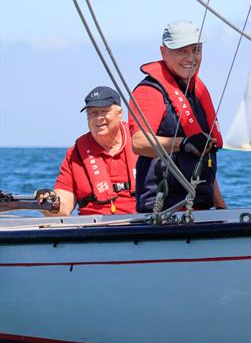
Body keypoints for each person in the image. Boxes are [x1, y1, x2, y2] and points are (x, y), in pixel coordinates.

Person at [129, 21, 227, 212]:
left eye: (196, 50)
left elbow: (203, 153)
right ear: (163, 51)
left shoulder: (196, 92)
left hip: (199, 208)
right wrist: (183, 143)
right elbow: (139, 143)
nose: (191, 58)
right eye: (182, 51)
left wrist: (221, 205)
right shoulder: (150, 91)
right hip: (162, 210)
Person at [39, 86, 137, 216]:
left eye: (104, 111)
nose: (98, 118)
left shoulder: (142, 141)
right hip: (92, 229)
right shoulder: (75, 154)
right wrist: (48, 204)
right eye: (93, 113)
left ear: (120, 113)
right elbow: (63, 205)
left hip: (142, 225)